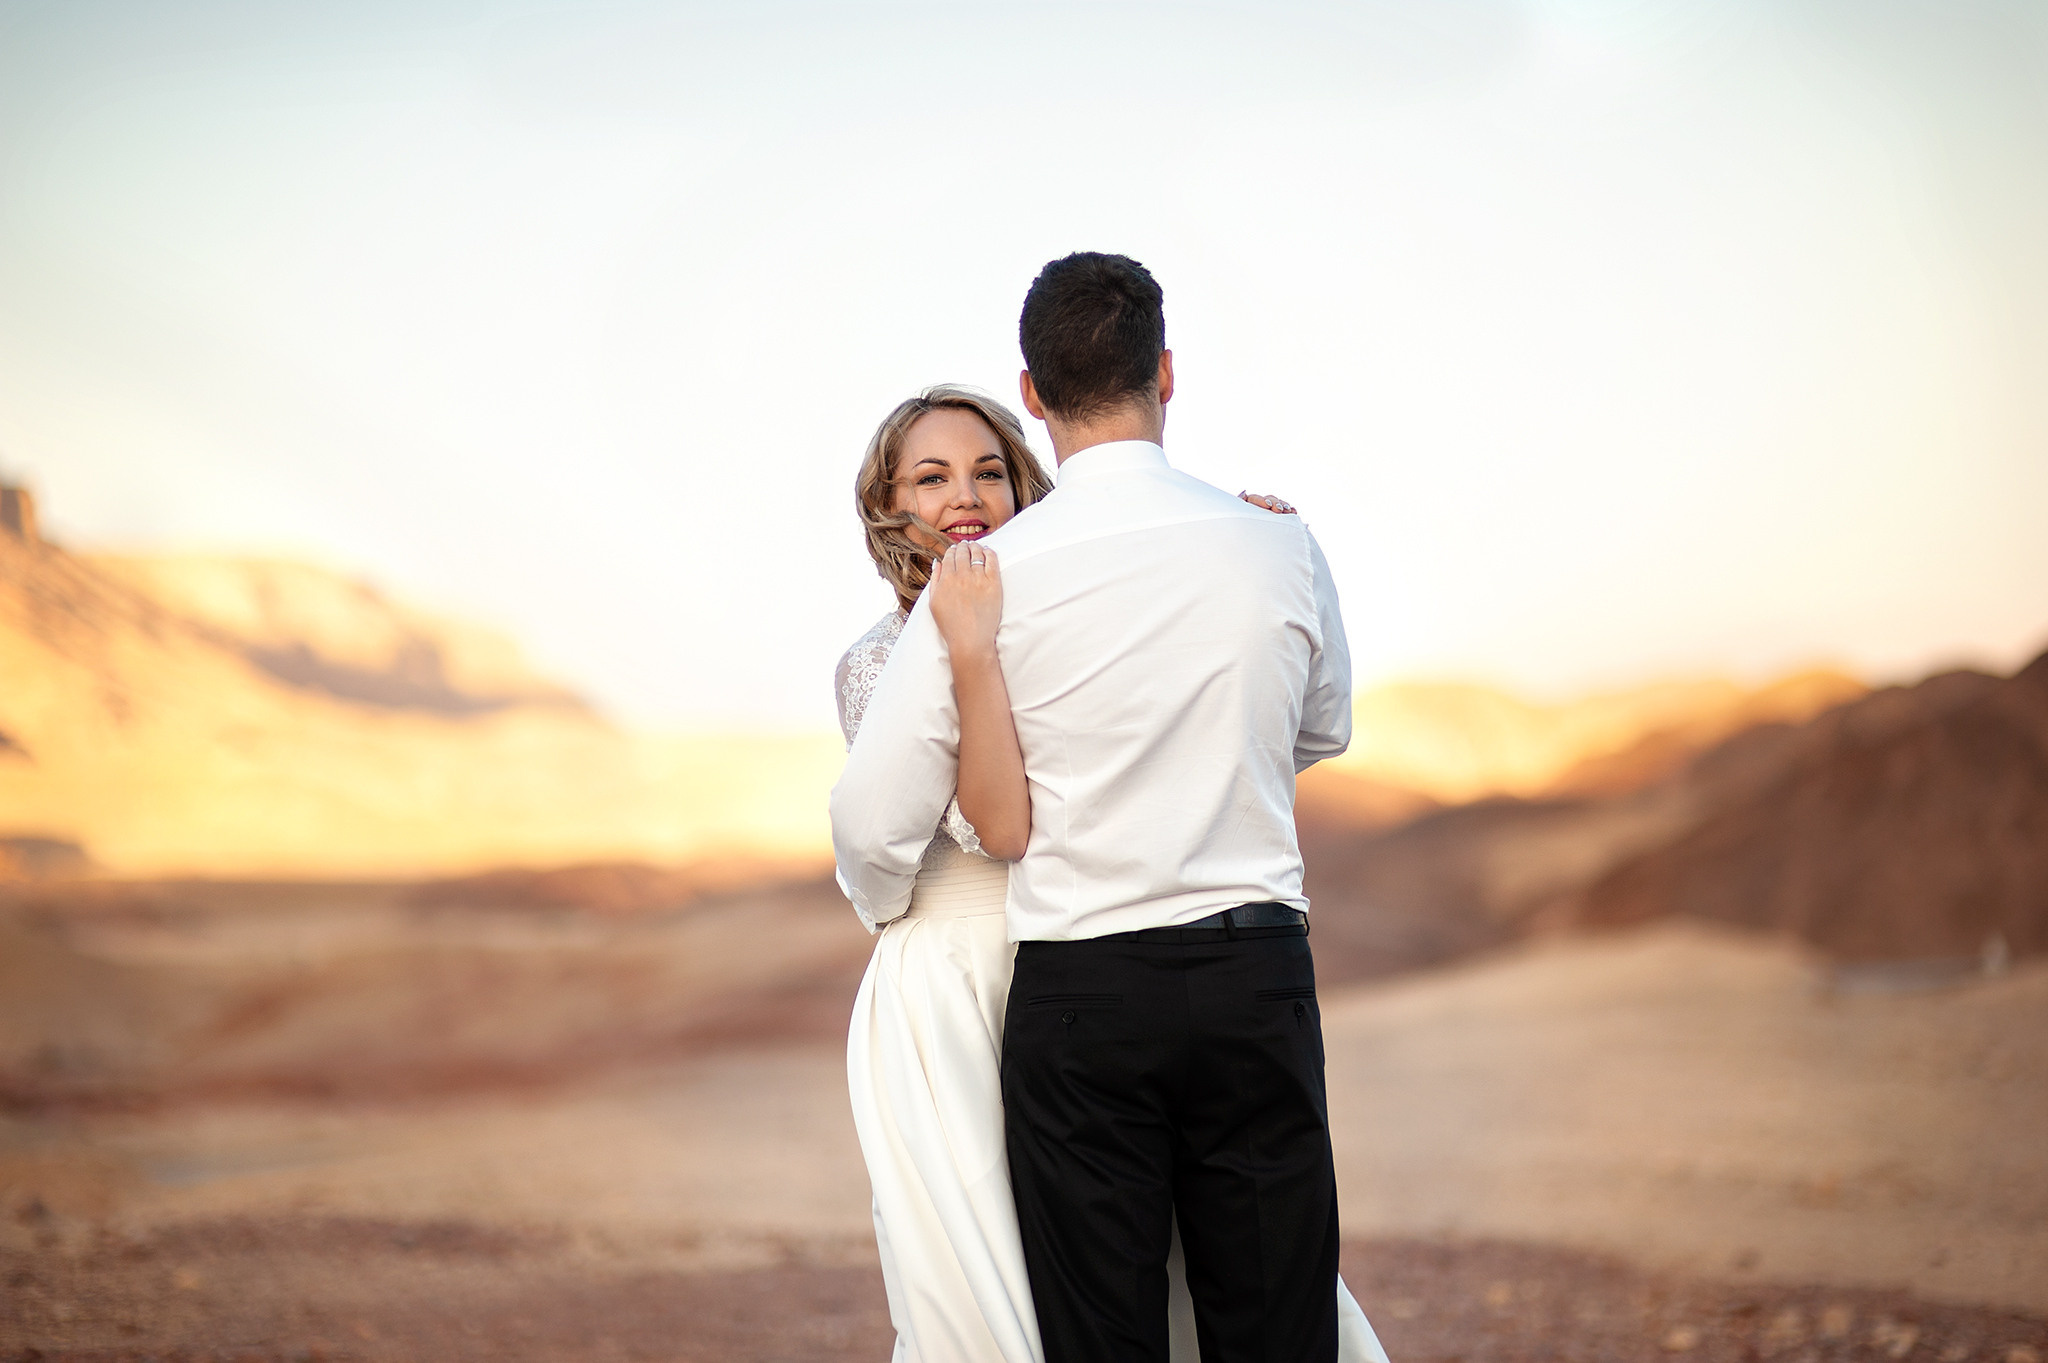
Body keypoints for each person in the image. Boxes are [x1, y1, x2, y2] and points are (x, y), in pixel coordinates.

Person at [834, 362, 1384, 1355]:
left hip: (1072, 955)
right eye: (930, 477)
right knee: (1005, 1283)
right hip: (962, 978)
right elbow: (886, 843)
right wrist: (901, 922)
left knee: (1172, 1268)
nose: (964, 496)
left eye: (987, 470)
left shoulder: (1054, 595)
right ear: (888, 501)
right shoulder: (886, 654)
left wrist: (1254, 545)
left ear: (1023, 471)